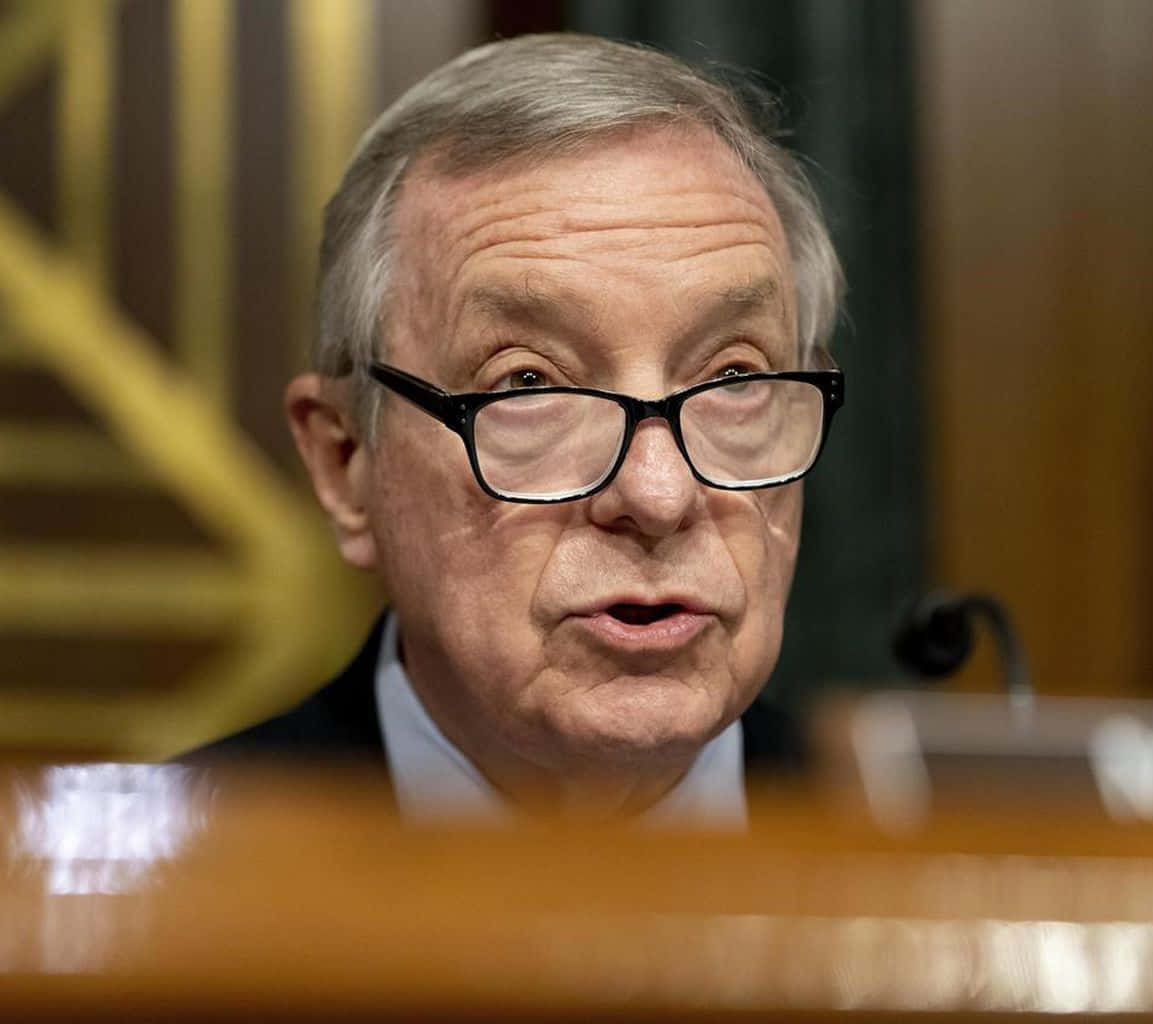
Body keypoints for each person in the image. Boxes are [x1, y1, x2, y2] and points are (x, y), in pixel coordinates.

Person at [202, 33, 846, 825]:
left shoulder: (932, 863)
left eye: (734, 378)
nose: (657, 492)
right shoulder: (150, 896)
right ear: (346, 460)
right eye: (528, 384)